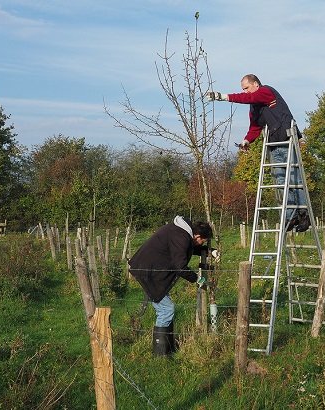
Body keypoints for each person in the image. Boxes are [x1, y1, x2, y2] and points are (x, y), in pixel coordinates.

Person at [206, 74, 310, 232]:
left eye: (246, 88)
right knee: (280, 182)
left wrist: (222, 97)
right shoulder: (254, 107)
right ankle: (291, 215)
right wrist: (246, 140)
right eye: (243, 89)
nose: (245, 92)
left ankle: (304, 214)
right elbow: (255, 127)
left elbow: (249, 98)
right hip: (274, 145)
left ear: (255, 84)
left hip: (288, 141)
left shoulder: (266, 91)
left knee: (294, 179)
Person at [128, 215, 215, 356]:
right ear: (197, 236)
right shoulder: (181, 236)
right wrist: (198, 279)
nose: (200, 244)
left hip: (150, 270)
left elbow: (187, 248)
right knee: (166, 309)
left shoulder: (182, 232)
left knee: (166, 309)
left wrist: (209, 251)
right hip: (148, 272)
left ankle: (168, 348)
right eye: (202, 242)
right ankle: (161, 354)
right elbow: (179, 267)